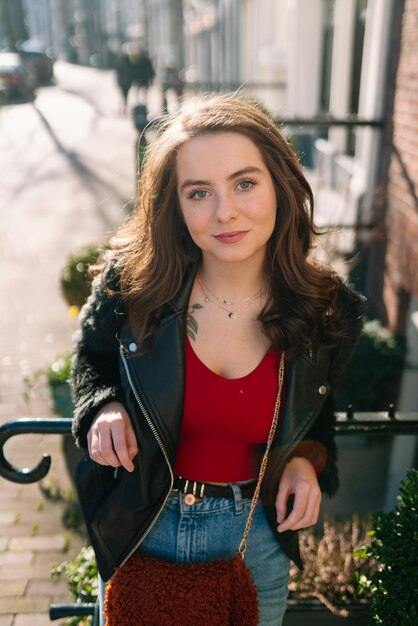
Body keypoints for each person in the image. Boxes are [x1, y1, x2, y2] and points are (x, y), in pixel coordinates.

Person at [71, 94, 364, 626]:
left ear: (281, 183)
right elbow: (90, 363)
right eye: (199, 192)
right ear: (176, 206)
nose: (225, 211)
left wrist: (306, 461)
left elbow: (316, 410)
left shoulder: (329, 310)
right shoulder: (132, 287)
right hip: (143, 528)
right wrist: (102, 406)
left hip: (255, 541)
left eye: (245, 183)